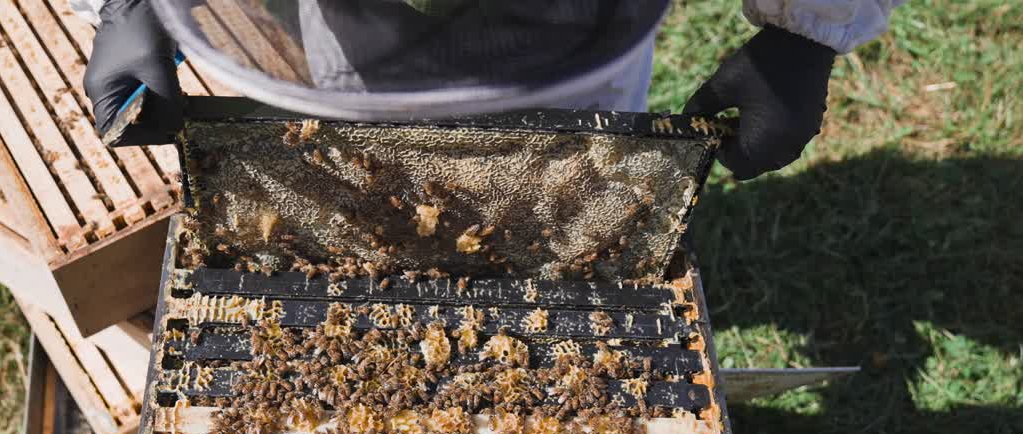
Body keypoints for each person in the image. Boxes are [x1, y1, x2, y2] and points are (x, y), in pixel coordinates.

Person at [79, 0, 903, 180]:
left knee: (572, 182)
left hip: (574, 27)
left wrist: (805, 33)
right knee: (371, 177)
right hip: (357, 29)